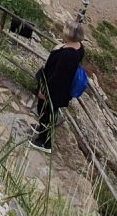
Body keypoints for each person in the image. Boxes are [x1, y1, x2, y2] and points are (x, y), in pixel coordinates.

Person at [32, 22, 86, 151]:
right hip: (61, 90)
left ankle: (44, 142)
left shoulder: (67, 55)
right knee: (49, 113)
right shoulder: (79, 48)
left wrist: (43, 92)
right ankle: (42, 130)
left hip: (53, 90)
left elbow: (57, 77)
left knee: (45, 111)